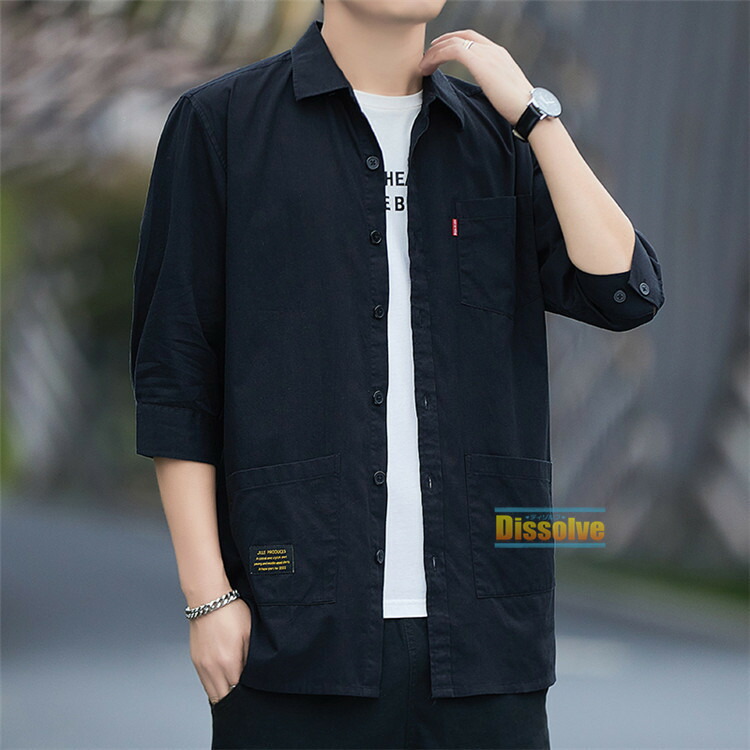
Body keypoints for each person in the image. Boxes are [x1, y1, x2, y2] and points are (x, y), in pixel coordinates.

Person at [129, 1, 665, 748]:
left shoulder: (497, 137)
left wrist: (534, 116)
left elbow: (626, 292)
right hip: (295, 632)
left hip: (484, 641)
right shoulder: (222, 125)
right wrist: (206, 597)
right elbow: (176, 376)